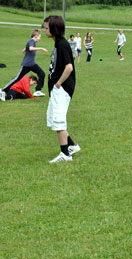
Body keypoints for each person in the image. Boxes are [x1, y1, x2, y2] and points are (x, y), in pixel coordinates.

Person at [43, 15, 80, 163]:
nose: (45, 30)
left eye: (46, 28)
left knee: (59, 120)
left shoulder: (63, 44)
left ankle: (65, 154)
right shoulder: (58, 44)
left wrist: (58, 83)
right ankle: (72, 145)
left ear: (54, 28)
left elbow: (69, 67)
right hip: (57, 89)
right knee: (53, 117)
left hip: (62, 88)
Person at [0, 29, 47, 101]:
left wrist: (27, 54)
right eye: (40, 36)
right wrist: (41, 48)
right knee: (17, 79)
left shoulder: (32, 42)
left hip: (32, 64)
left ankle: (37, 90)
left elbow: (23, 50)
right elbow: (30, 48)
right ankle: (3, 90)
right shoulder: (31, 41)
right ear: (36, 36)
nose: (40, 38)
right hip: (26, 65)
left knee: (42, 74)